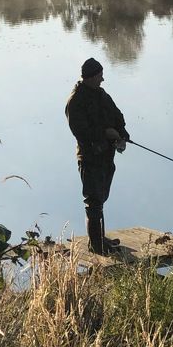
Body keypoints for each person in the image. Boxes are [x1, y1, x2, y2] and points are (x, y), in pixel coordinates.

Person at [65, 57, 129, 255]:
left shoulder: (101, 95)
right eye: (100, 76)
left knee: (100, 198)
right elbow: (80, 131)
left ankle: (100, 239)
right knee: (93, 201)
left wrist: (122, 135)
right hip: (90, 157)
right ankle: (95, 244)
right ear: (91, 77)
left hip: (106, 157)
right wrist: (105, 134)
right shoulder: (75, 101)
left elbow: (118, 116)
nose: (103, 80)